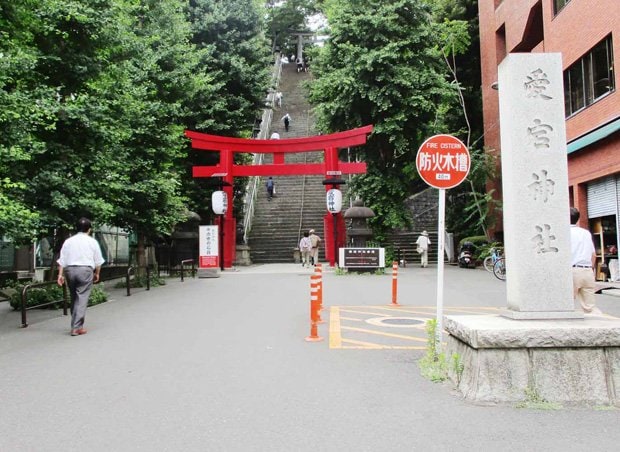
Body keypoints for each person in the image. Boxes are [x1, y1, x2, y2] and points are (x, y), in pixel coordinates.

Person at [57, 217, 105, 336]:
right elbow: (98, 261)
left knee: (74, 297)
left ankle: (75, 324)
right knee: (82, 298)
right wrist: (97, 273)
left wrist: (60, 275)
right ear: (89, 229)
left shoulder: (68, 241)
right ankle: (76, 327)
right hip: (85, 270)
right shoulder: (92, 241)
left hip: (69, 270)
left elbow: (62, 259)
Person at [570, 207, 602, 316]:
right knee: (590, 307)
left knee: (566, 305)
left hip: (571, 271)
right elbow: (593, 254)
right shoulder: (586, 233)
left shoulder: (563, 233)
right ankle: (598, 327)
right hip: (587, 270)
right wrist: (591, 269)